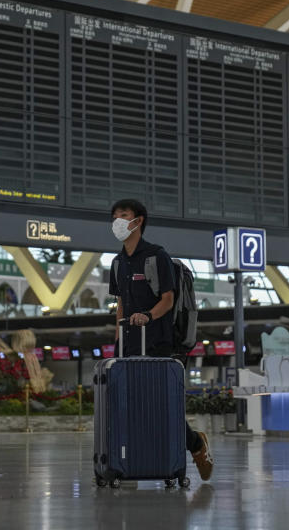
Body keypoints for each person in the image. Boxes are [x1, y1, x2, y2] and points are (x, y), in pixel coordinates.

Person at [108, 198, 213, 481]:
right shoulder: (117, 263)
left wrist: (148, 316)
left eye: (124, 215)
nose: (117, 220)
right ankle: (135, 462)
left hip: (160, 343)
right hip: (129, 345)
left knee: (161, 406)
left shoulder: (157, 256)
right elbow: (120, 305)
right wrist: (117, 343)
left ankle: (195, 444)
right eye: (115, 215)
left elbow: (168, 300)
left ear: (138, 220)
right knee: (133, 407)